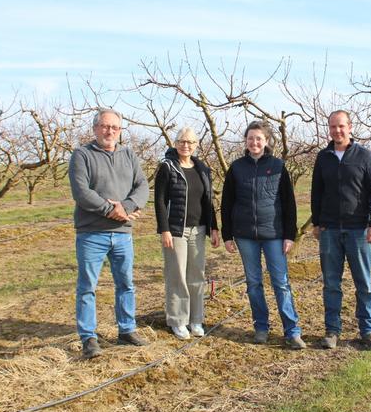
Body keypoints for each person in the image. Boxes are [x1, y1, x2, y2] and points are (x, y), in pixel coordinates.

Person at [68, 108, 150, 359]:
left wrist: (125, 208)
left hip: (122, 234)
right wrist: (110, 210)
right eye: (104, 126)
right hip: (92, 233)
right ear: (95, 129)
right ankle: (89, 337)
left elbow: (142, 186)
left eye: (114, 127)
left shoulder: (128, 155)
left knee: (126, 284)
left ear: (120, 131)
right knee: (87, 286)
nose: (109, 131)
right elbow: (81, 192)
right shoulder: (82, 155)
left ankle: (126, 330)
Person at [221, 120, 306, 350]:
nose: (254, 142)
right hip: (245, 235)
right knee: (254, 283)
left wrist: (290, 234)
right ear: (246, 141)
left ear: (266, 141)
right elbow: (226, 202)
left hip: (275, 234)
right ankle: (261, 327)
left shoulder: (278, 166)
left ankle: (292, 330)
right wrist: (227, 235)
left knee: (281, 283)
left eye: (259, 138)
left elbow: (289, 203)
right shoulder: (236, 167)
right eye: (250, 138)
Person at [311, 110, 371, 350]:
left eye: (341, 126)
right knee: (331, 283)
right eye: (332, 127)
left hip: (359, 230)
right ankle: (332, 330)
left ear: (350, 127)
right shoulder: (323, 157)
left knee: (364, 282)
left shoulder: (364, 156)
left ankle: (368, 330)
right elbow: (316, 192)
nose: (337, 131)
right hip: (330, 229)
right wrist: (317, 222)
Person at [154, 127, 220, 340]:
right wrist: (164, 229)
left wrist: (214, 227)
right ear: (175, 143)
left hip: (199, 230)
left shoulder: (202, 168)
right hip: (176, 230)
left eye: (191, 142)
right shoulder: (167, 167)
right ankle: (178, 320)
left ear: (197, 144)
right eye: (182, 141)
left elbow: (208, 200)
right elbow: (160, 201)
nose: (186, 145)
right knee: (177, 275)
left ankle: (196, 319)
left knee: (196, 276)